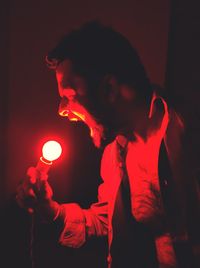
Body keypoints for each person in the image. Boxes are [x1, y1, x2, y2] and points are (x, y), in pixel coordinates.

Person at [16, 21, 200, 268]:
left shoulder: (187, 136)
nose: (62, 111)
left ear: (109, 89)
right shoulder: (115, 153)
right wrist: (51, 210)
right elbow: (107, 224)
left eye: (70, 96)